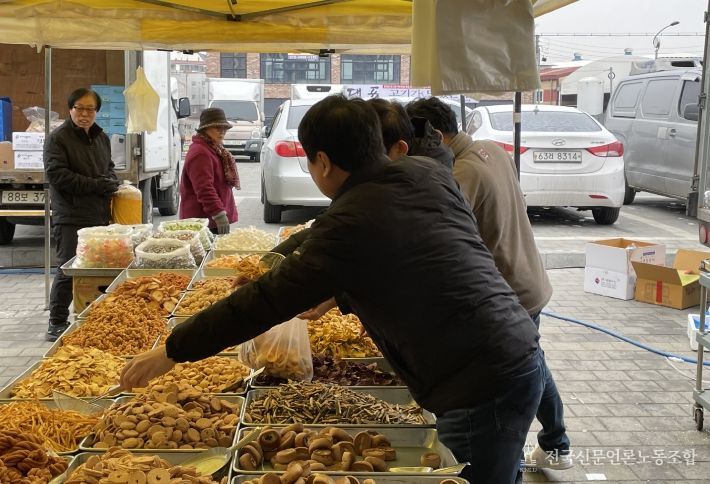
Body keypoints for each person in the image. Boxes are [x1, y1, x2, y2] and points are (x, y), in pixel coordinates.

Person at [121, 95, 544, 484]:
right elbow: (403, 254)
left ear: (322, 161)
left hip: (477, 382)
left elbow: (264, 302)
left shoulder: (355, 219)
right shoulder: (425, 173)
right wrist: (333, 287)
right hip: (514, 349)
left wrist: (172, 350)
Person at [406, 97, 572, 471]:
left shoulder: (461, 173)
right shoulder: (491, 150)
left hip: (509, 290)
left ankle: (553, 444)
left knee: (529, 367)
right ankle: (555, 443)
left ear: (434, 136)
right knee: (534, 363)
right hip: (528, 275)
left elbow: (441, 237)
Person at [44, 88, 119, 342]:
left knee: (98, 267)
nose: (84, 114)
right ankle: (57, 320)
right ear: (70, 109)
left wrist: (111, 181)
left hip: (98, 214)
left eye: (90, 109)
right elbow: (58, 176)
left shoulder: (101, 138)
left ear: (96, 112)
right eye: (79, 108)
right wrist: (97, 185)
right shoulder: (58, 138)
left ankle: (95, 316)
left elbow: (109, 167)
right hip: (71, 214)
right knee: (69, 267)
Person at [179, 108, 239, 235]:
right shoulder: (201, 153)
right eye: (218, 128)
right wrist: (219, 214)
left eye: (224, 128)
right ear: (205, 129)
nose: (222, 132)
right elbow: (204, 188)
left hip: (210, 220)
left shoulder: (213, 148)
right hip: (203, 223)